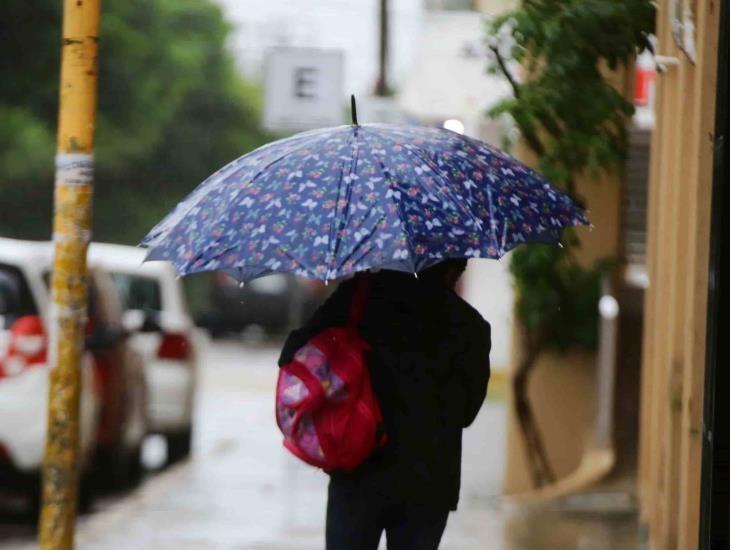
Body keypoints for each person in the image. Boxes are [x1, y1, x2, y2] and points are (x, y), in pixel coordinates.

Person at [279, 259, 491, 550]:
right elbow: (467, 413)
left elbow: (292, 354)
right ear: (451, 269)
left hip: (359, 470)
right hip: (429, 484)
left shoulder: (359, 298)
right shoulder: (471, 326)